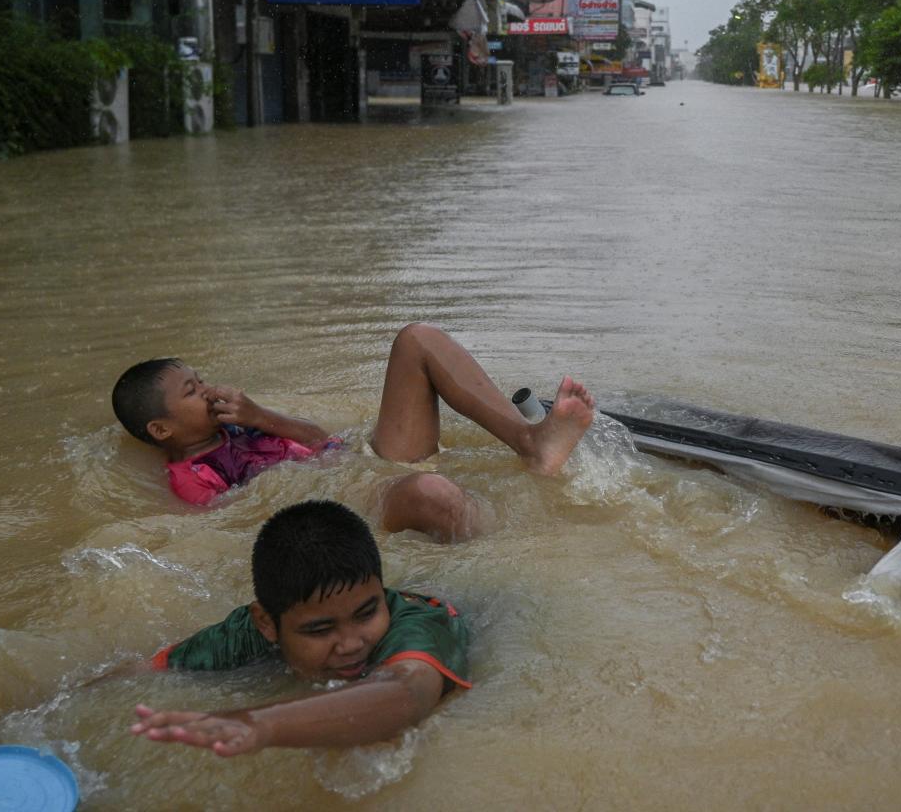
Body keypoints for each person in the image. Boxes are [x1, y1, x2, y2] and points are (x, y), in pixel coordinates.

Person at [110, 323, 597, 540]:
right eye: (193, 391)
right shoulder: (191, 477)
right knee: (433, 493)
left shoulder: (239, 425)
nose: (209, 390)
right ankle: (536, 544)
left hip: (359, 463)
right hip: (349, 505)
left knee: (417, 340)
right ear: (161, 428)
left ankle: (530, 443)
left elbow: (320, 440)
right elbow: (238, 526)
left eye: (202, 379)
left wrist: (260, 416)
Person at [132, 499, 467, 755]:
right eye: (321, 631)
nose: (351, 644)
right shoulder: (246, 633)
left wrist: (261, 724)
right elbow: (145, 671)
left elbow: (407, 694)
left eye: (366, 613)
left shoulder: (413, 626)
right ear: (267, 623)